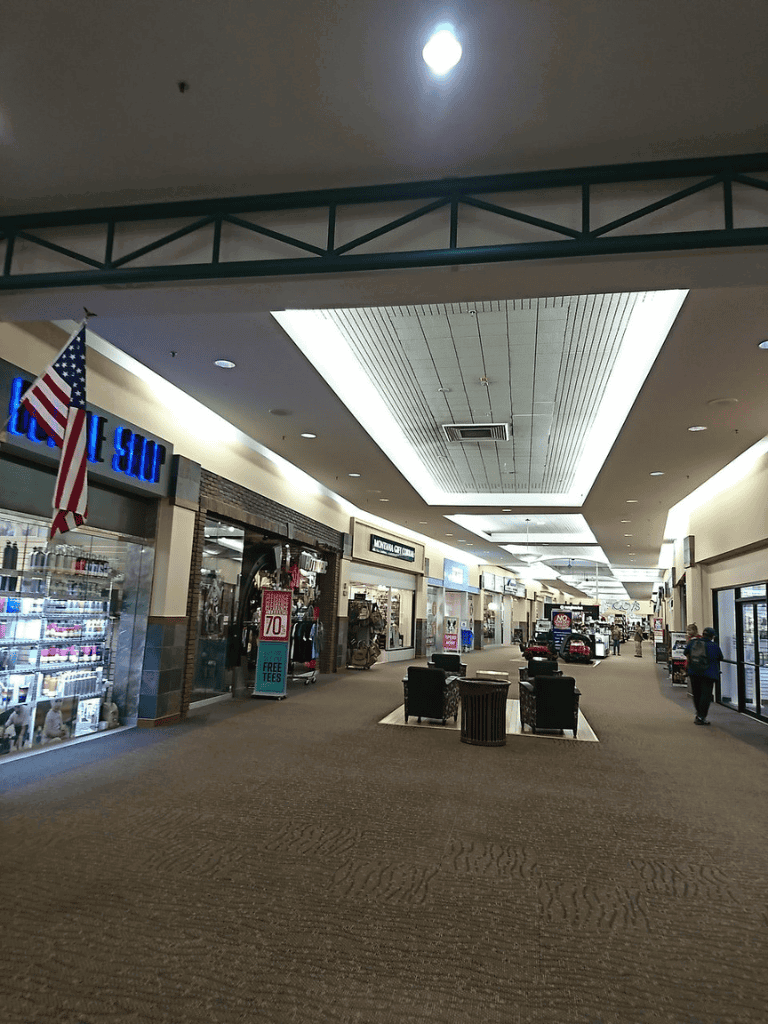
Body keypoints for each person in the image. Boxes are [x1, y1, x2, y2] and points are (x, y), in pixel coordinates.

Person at [684, 626, 724, 725]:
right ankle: (702, 716)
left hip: (694, 672)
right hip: (708, 674)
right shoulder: (714, 646)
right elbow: (720, 657)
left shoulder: (693, 643)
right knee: (705, 696)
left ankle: (698, 714)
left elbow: (686, 652)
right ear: (712, 636)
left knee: (696, 694)